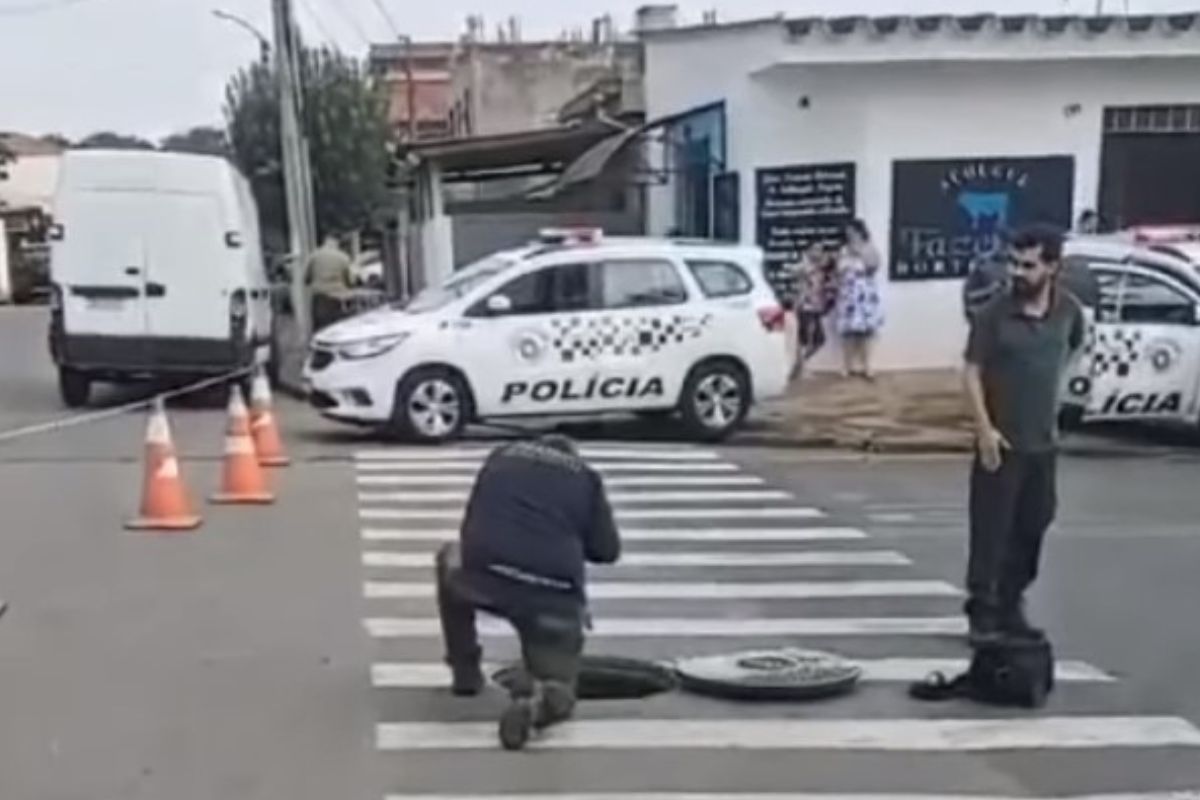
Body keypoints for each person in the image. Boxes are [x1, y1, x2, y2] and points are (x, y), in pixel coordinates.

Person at [433, 434, 621, 751]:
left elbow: (475, 518)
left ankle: (465, 671)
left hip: (484, 577)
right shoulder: (586, 477)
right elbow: (607, 551)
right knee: (560, 687)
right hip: (551, 595)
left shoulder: (500, 457)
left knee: (447, 558)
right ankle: (537, 705)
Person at [962, 224, 1085, 643]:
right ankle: (983, 608)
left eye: (1028, 265)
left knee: (1034, 522)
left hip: (1043, 443)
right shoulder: (993, 314)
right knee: (991, 530)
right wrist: (984, 430)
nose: (1017, 272)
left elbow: (1074, 350)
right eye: (1013, 262)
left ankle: (1012, 602)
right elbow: (972, 371)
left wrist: (1055, 399)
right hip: (1002, 441)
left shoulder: (1068, 311)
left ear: (1051, 266)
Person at [835, 219, 884, 378]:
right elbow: (838, 269)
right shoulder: (843, 250)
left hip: (865, 293)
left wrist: (860, 253)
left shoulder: (869, 247)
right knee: (848, 332)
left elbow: (874, 266)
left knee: (867, 332)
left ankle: (868, 366)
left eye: (854, 231)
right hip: (848, 292)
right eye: (848, 232)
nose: (851, 235)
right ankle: (846, 365)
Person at [794, 241, 837, 366]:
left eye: (820, 250)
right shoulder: (804, 265)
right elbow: (797, 273)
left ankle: (800, 364)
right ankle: (799, 365)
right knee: (805, 338)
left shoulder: (824, 267)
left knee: (818, 340)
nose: (818, 252)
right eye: (815, 249)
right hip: (805, 306)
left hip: (817, 306)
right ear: (808, 251)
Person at [305, 235, 352, 331]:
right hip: (337, 297)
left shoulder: (314, 256)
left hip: (320, 296)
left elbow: (306, 278)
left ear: (324, 243)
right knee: (336, 327)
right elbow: (349, 281)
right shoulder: (343, 257)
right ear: (337, 244)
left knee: (319, 328)